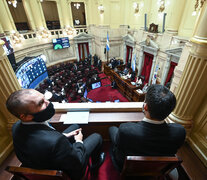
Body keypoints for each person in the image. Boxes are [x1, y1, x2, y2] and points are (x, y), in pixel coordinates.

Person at [6, 89, 105, 180]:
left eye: (44, 98)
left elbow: (45, 141)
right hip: (70, 172)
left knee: (75, 125)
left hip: (41, 159)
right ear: (25, 116)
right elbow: (77, 163)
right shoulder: (56, 141)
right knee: (97, 137)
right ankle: (95, 164)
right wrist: (79, 141)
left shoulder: (16, 127)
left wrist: (64, 136)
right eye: (41, 103)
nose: (48, 102)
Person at [109, 84, 186, 171]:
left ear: (145, 107)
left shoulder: (126, 129)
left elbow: (118, 145)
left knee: (112, 129)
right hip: (157, 169)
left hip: (128, 167)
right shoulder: (180, 132)